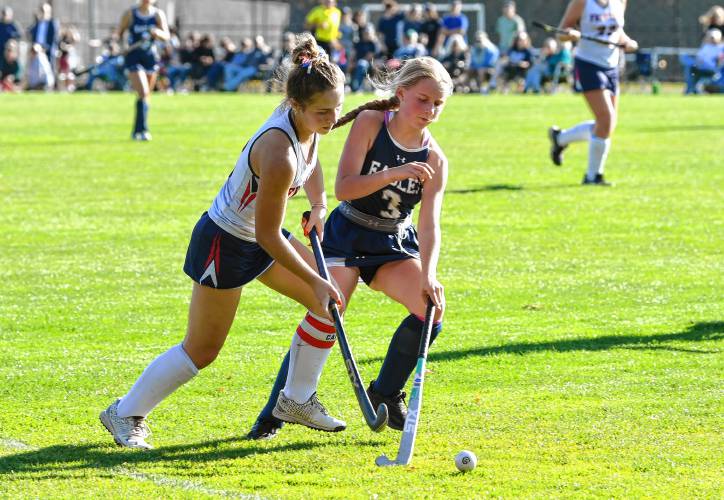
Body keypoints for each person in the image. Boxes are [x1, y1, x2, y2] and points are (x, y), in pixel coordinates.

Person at [100, 33, 348, 449]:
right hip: (226, 242)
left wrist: (319, 205)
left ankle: (297, 399)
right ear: (297, 105)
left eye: (338, 107)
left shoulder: (308, 122)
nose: (333, 117)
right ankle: (124, 413)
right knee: (202, 349)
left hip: (257, 236)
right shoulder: (278, 153)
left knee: (329, 304)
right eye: (324, 111)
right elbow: (269, 235)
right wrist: (315, 278)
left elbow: (314, 152)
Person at [248, 56, 451, 439]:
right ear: (401, 93)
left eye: (438, 104)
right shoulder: (372, 123)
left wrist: (429, 273)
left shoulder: (436, 159)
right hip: (350, 231)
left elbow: (429, 223)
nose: (430, 110)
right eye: (423, 100)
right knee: (327, 310)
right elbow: (345, 188)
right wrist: (395, 172)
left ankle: (386, 394)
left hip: (392, 241)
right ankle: (273, 413)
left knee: (431, 310)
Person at [548, 0, 638, 186]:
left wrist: (627, 41)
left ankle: (560, 138)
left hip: (612, 66)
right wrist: (569, 34)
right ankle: (592, 177)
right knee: (606, 119)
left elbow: (616, 32)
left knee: (607, 125)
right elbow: (561, 32)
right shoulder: (582, 2)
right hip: (588, 64)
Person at [115, 0, 170, 140]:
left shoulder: (158, 14)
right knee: (143, 91)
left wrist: (157, 32)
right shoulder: (131, 14)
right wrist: (120, 46)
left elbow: (166, 36)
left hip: (150, 58)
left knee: (145, 96)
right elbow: (118, 34)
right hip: (134, 57)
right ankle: (143, 129)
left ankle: (138, 130)